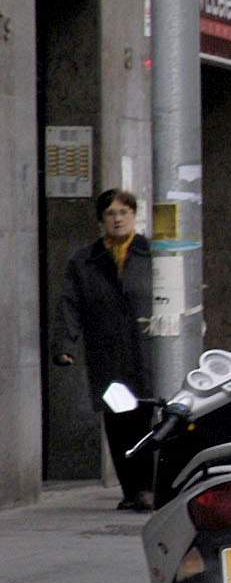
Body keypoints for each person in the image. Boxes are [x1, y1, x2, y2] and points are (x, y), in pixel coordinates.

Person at [50, 188, 154, 510]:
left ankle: (147, 486)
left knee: (145, 417)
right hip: (107, 353)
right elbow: (70, 305)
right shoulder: (85, 260)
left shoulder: (151, 254)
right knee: (118, 420)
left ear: (134, 215)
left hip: (145, 351)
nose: (117, 219)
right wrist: (65, 344)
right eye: (110, 214)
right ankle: (131, 489)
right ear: (101, 220)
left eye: (124, 212)